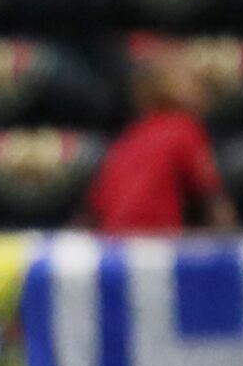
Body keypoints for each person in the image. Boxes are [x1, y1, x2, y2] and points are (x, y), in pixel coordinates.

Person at [88, 35, 233, 235]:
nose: (203, 87)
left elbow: (95, 206)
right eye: (191, 79)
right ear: (160, 87)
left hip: (113, 247)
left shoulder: (130, 134)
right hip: (153, 248)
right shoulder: (183, 129)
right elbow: (213, 201)